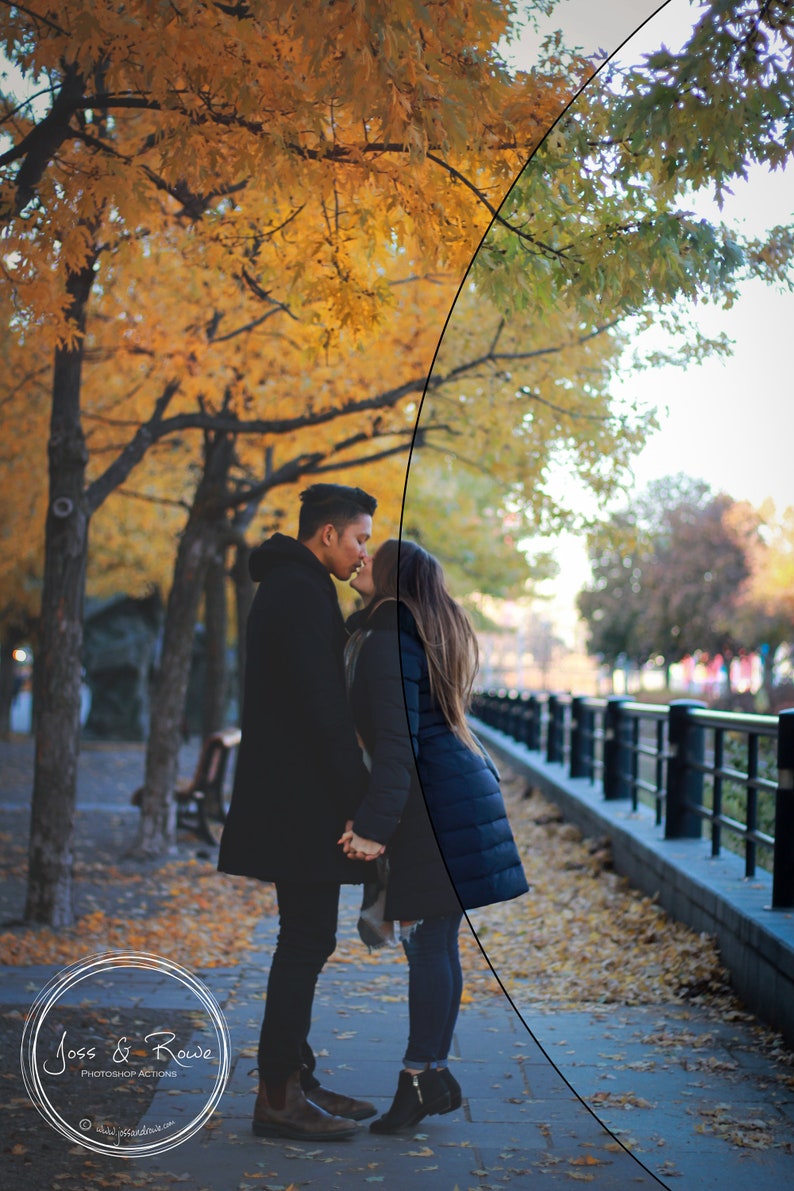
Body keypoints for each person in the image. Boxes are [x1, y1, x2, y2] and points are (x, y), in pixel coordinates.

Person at [339, 540, 528, 1133]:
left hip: (435, 807)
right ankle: (431, 1075)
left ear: (395, 576)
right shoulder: (414, 632)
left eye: (376, 555)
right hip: (450, 796)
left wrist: (373, 829)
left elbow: (398, 747)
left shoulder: (389, 639)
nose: (362, 558)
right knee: (436, 942)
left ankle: (420, 1080)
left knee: (428, 943)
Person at [218, 482, 380, 1141]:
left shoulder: (294, 588)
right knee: (306, 938)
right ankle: (279, 1094)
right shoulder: (298, 592)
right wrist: (363, 804)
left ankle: (295, 1079)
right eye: (360, 538)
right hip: (300, 801)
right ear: (327, 535)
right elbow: (325, 713)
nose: (363, 550)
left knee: (306, 936)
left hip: (293, 796)